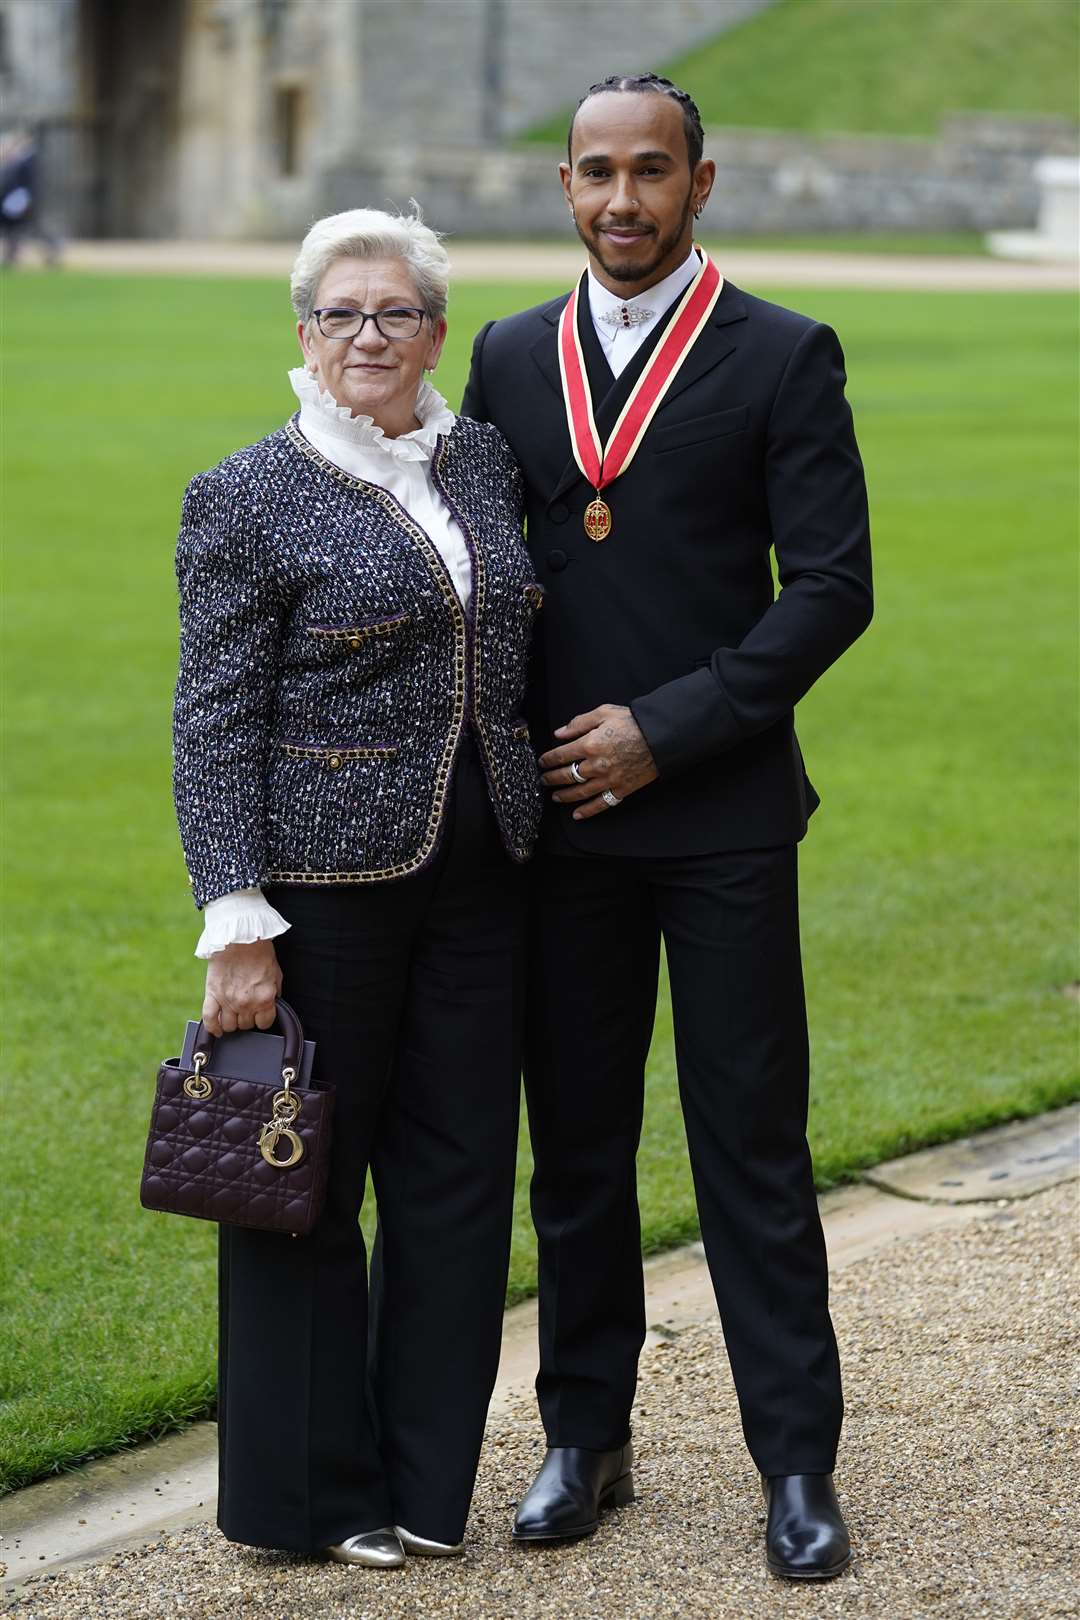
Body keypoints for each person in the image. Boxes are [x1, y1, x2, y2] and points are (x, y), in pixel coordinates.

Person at [462, 74, 873, 1580]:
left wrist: (667, 731)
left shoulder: (780, 353)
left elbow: (834, 586)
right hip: (561, 827)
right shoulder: (508, 357)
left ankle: (796, 1463)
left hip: (719, 817)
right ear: (564, 188)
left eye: (652, 173)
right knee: (573, 1145)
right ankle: (587, 1435)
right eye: (595, 174)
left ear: (705, 183)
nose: (622, 201)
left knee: (750, 1144)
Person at [172, 207, 542, 1567]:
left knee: (454, 1181)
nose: (369, 336)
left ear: (437, 332)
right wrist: (236, 922)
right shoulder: (245, 493)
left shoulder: (484, 463)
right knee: (301, 1185)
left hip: (481, 875)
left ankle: (425, 1487)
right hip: (322, 889)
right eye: (341, 314)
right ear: (304, 333)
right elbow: (210, 723)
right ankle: (313, 1497)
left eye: (395, 313)